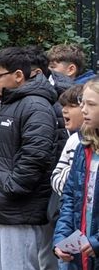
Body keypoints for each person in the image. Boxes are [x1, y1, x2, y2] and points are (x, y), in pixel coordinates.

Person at [0, 47, 58, 270]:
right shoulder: (4, 103)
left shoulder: (36, 105)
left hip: (18, 208)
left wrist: (11, 188)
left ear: (18, 75)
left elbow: (36, 155)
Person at [53, 79, 99, 270]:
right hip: (82, 250)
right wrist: (61, 237)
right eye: (83, 103)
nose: (84, 110)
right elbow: (70, 196)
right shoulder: (84, 145)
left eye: (91, 104)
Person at [52, 84, 86, 196]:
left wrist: (69, 172)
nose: (64, 111)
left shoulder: (78, 139)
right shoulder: (73, 139)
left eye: (71, 106)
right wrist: (69, 172)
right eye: (63, 106)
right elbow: (55, 177)